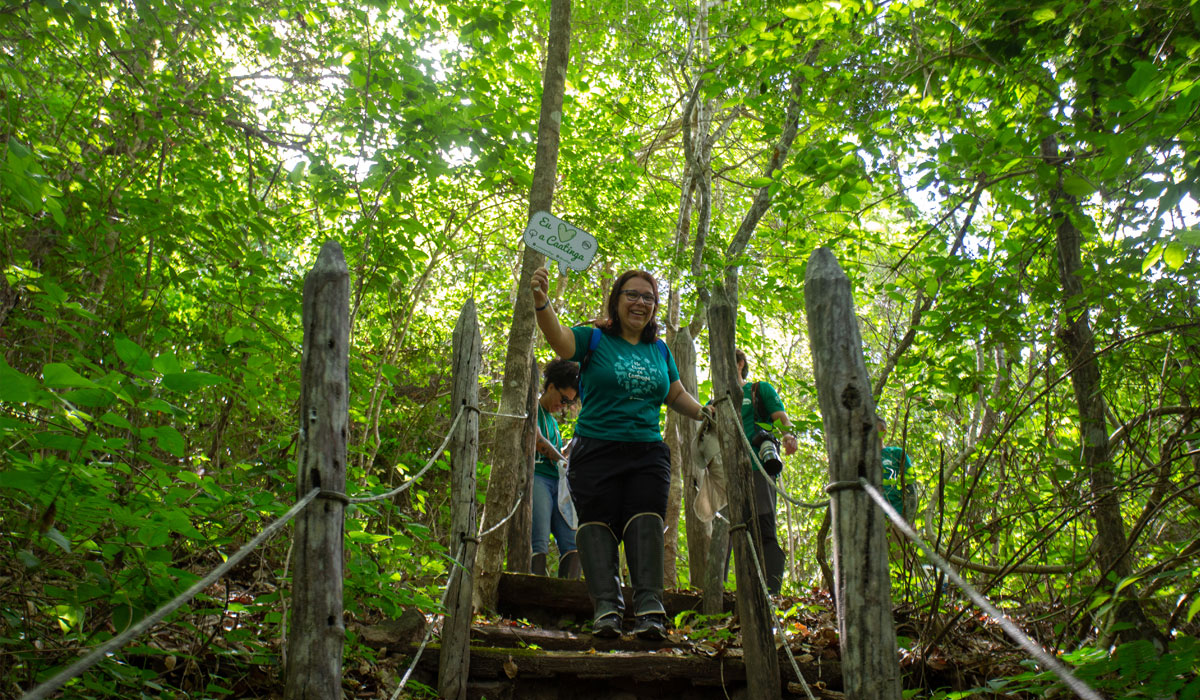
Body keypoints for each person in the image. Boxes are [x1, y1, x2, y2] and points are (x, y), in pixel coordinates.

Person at [530, 266, 711, 640]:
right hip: (595, 450)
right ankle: (607, 610)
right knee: (597, 525)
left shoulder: (659, 349)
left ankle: (649, 612)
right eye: (632, 294)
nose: (640, 303)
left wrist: (703, 413)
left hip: (647, 452)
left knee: (646, 521)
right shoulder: (595, 339)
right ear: (617, 299)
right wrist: (542, 302)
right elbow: (561, 340)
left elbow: (674, 393)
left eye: (648, 297)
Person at [724, 348, 799, 596]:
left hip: (759, 468)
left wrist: (789, 436)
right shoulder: (718, 397)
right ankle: (731, 593)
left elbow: (781, 418)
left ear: (740, 363)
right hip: (727, 475)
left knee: (764, 527)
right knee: (732, 533)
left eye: (728, 361)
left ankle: (771, 594)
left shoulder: (758, 389)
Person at [531, 359, 581, 578]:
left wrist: (568, 450)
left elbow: (555, 451)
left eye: (568, 402)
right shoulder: (532, 407)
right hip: (538, 478)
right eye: (563, 399)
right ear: (550, 386)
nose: (563, 405)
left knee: (572, 541)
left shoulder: (551, 420)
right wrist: (561, 457)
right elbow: (536, 439)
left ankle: (568, 598)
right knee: (538, 539)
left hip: (557, 483)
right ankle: (534, 592)